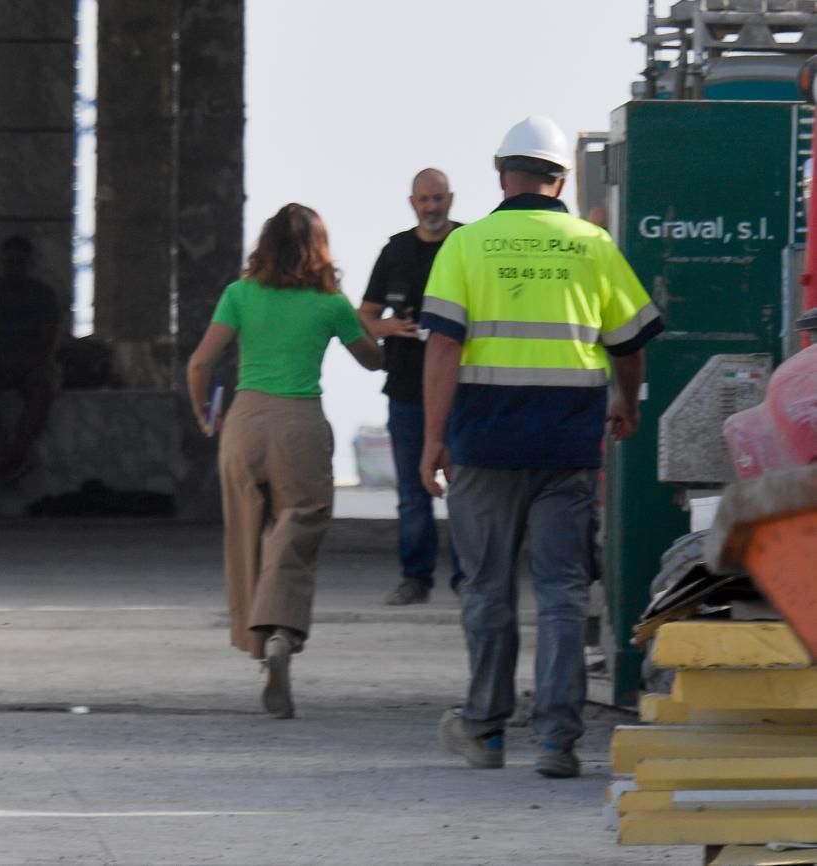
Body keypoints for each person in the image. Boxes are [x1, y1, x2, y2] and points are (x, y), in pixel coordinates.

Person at [419, 116, 663, 778]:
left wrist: (433, 438)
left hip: (483, 443)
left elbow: (443, 345)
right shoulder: (592, 244)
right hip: (568, 445)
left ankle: (486, 730)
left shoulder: (466, 247)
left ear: (503, 175)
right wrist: (625, 400)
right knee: (561, 591)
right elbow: (632, 342)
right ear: (559, 180)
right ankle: (557, 740)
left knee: (487, 590)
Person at [187, 203, 384, 719]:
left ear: (266, 244)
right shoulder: (329, 302)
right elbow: (369, 358)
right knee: (300, 522)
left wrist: (205, 414)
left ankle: (261, 650)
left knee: (248, 533)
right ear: (319, 248)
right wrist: (386, 333)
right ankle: (280, 632)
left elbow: (201, 362)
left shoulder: (240, 294)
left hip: (244, 419)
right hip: (300, 421)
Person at [358, 168, 466, 606]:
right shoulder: (395, 251)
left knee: (465, 489)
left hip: (463, 391)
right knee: (411, 492)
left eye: (438, 198)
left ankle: (468, 578)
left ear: (451, 199)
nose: (432, 207)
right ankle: (414, 579)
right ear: (412, 203)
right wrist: (389, 327)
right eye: (424, 200)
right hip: (405, 391)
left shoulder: (469, 245)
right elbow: (363, 317)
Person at [0, 236, 63, 483]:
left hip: (30, 365)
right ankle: (9, 453)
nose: (14, 267)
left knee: (42, 388)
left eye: (19, 262)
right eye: (9, 261)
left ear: (29, 264)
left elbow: (47, 341)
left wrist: (25, 365)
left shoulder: (43, 295)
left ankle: (15, 451)